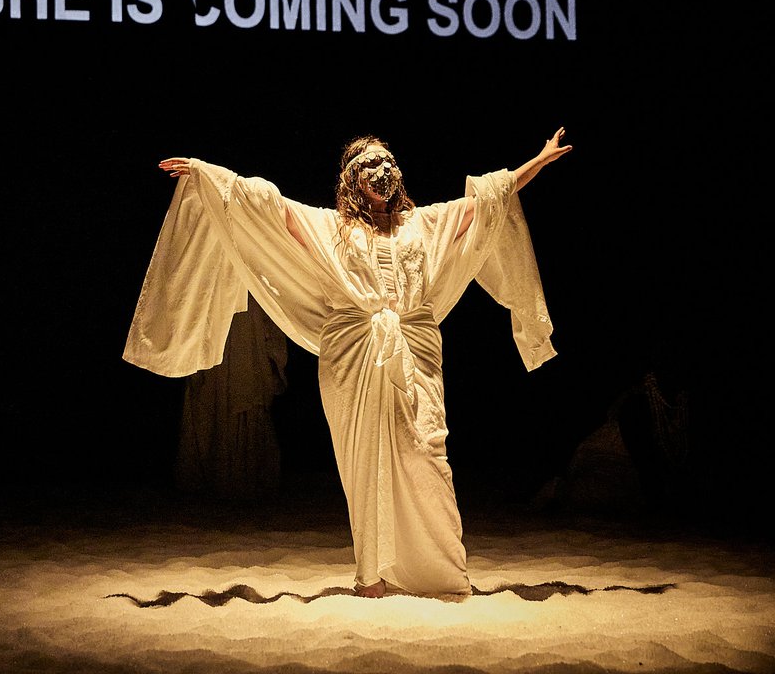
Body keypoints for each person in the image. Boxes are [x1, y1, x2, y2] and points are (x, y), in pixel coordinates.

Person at [124, 127, 571, 597]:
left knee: (427, 451)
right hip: (353, 353)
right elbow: (269, 209)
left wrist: (538, 161)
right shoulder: (333, 228)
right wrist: (208, 175)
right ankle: (372, 574)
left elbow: (491, 200)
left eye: (388, 161)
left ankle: (438, 572)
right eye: (371, 164)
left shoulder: (424, 224)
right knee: (363, 462)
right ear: (352, 180)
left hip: (415, 345)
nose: (383, 169)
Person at [174, 293, 287, 502]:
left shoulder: (254, 289)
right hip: (218, 355)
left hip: (248, 355)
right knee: (214, 408)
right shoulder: (213, 288)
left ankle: (244, 480)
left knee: (244, 404)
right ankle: (219, 481)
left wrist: (272, 361)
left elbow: (271, 320)